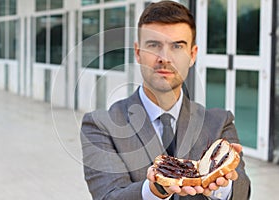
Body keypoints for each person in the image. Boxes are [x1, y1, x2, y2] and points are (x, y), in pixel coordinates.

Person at [80, 1, 251, 200]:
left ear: (192, 55)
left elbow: (243, 192)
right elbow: (107, 196)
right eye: (153, 45)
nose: (164, 57)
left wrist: (219, 184)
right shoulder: (101, 125)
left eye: (177, 46)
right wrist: (155, 190)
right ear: (137, 52)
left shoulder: (219, 123)